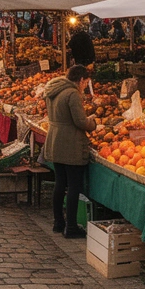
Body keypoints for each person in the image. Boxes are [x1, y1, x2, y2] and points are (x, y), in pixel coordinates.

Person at [42, 66, 96, 238]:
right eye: (86, 83)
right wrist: (93, 123)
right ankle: (71, 227)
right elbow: (80, 121)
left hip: (55, 140)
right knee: (74, 185)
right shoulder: (72, 93)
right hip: (70, 142)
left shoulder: (53, 89)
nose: (85, 86)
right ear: (81, 80)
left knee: (60, 182)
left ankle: (58, 222)